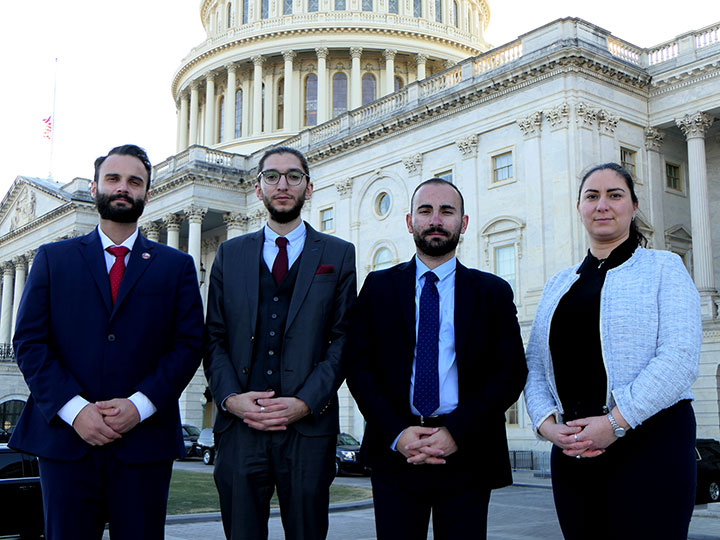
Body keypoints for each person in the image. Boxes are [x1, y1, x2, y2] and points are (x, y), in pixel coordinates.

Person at [9, 144, 204, 540]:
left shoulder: (175, 266)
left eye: (135, 182)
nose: (123, 188)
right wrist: (75, 409)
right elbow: (29, 341)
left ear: (147, 195)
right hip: (65, 441)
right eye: (113, 179)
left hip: (144, 442)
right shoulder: (53, 258)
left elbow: (187, 345)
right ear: (96, 186)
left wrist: (139, 405)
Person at [524, 163, 701, 539]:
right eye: (592, 196)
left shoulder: (664, 268)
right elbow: (536, 365)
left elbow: (679, 357)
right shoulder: (558, 284)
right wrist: (547, 426)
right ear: (579, 208)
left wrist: (615, 423)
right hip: (574, 450)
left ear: (634, 206)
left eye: (614, 195)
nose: (602, 205)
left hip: (652, 446)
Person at [346, 178, 527, 540]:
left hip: (467, 452)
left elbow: (511, 372)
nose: (435, 220)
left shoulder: (492, 292)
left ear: (464, 222)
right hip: (396, 452)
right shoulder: (378, 287)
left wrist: (455, 432)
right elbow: (358, 367)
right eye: (426, 211)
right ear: (409, 220)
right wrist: (398, 432)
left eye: (447, 211)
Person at [204, 146, 357, 540]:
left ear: (309, 188)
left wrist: (306, 402)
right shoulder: (229, 254)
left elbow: (343, 340)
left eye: (293, 176)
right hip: (240, 429)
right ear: (258, 189)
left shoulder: (339, 255)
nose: (282, 185)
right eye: (271, 176)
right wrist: (230, 399)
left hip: (308, 431)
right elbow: (214, 337)